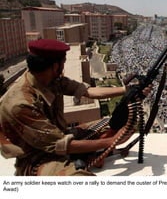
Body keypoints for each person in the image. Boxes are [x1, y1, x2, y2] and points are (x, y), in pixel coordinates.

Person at [0, 39, 152, 176]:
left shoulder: (49, 79)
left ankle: (89, 155)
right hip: (36, 158)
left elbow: (87, 91)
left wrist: (127, 90)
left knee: (110, 124)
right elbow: (61, 145)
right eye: (63, 62)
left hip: (59, 138)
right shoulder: (20, 104)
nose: (64, 66)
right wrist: (112, 142)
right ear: (55, 66)